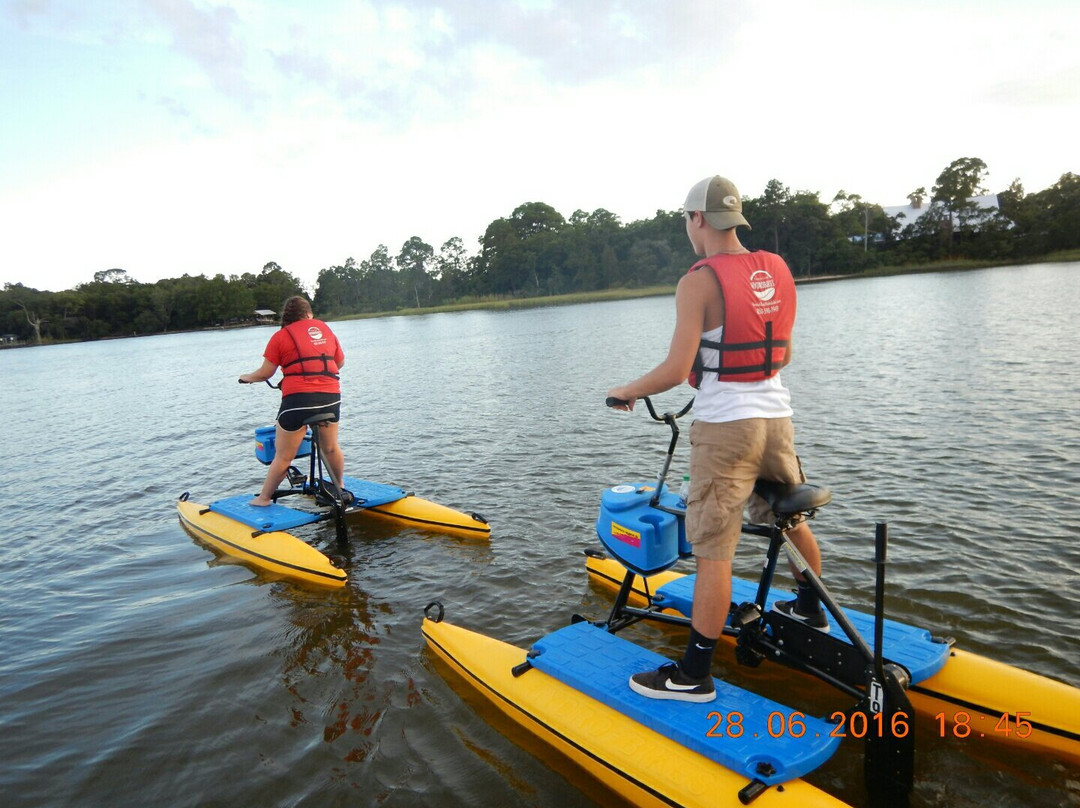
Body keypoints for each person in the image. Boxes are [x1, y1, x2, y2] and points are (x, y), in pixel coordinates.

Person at [606, 175, 826, 703]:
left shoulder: (698, 281)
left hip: (726, 430)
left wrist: (625, 390)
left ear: (697, 220)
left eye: (686, 220)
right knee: (788, 519)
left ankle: (694, 675)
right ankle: (809, 607)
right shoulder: (776, 268)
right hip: (778, 419)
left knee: (713, 551)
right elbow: (785, 354)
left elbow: (677, 368)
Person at [239, 295, 346, 507]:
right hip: (330, 399)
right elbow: (339, 363)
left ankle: (263, 499)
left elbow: (265, 373)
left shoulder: (280, 336)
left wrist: (247, 377)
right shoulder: (325, 330)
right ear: (308, 314)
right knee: (331, 447)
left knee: (284, 455)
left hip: (297, 402)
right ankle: (339, 487)